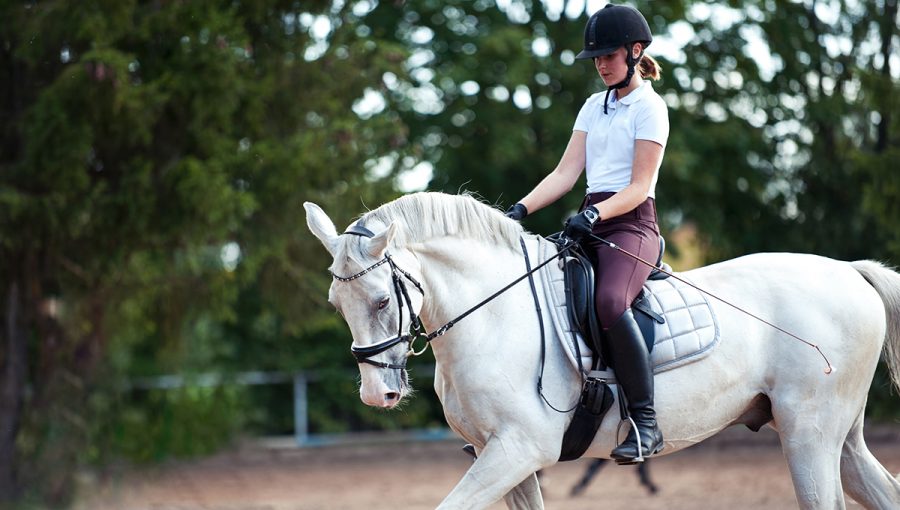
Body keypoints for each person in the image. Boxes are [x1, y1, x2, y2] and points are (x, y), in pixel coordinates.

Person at [505, 3, 668, 464]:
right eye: (595, 58)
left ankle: (646, 421)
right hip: (589, 222)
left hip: (632, 224)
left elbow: (639, 186)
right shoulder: (593, 106)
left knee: (610, 302)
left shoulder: (650, 108)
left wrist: (595, 217)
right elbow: (564, 174)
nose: (600, 64)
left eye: (609, 55)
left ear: (635, 52)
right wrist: (519, 208)